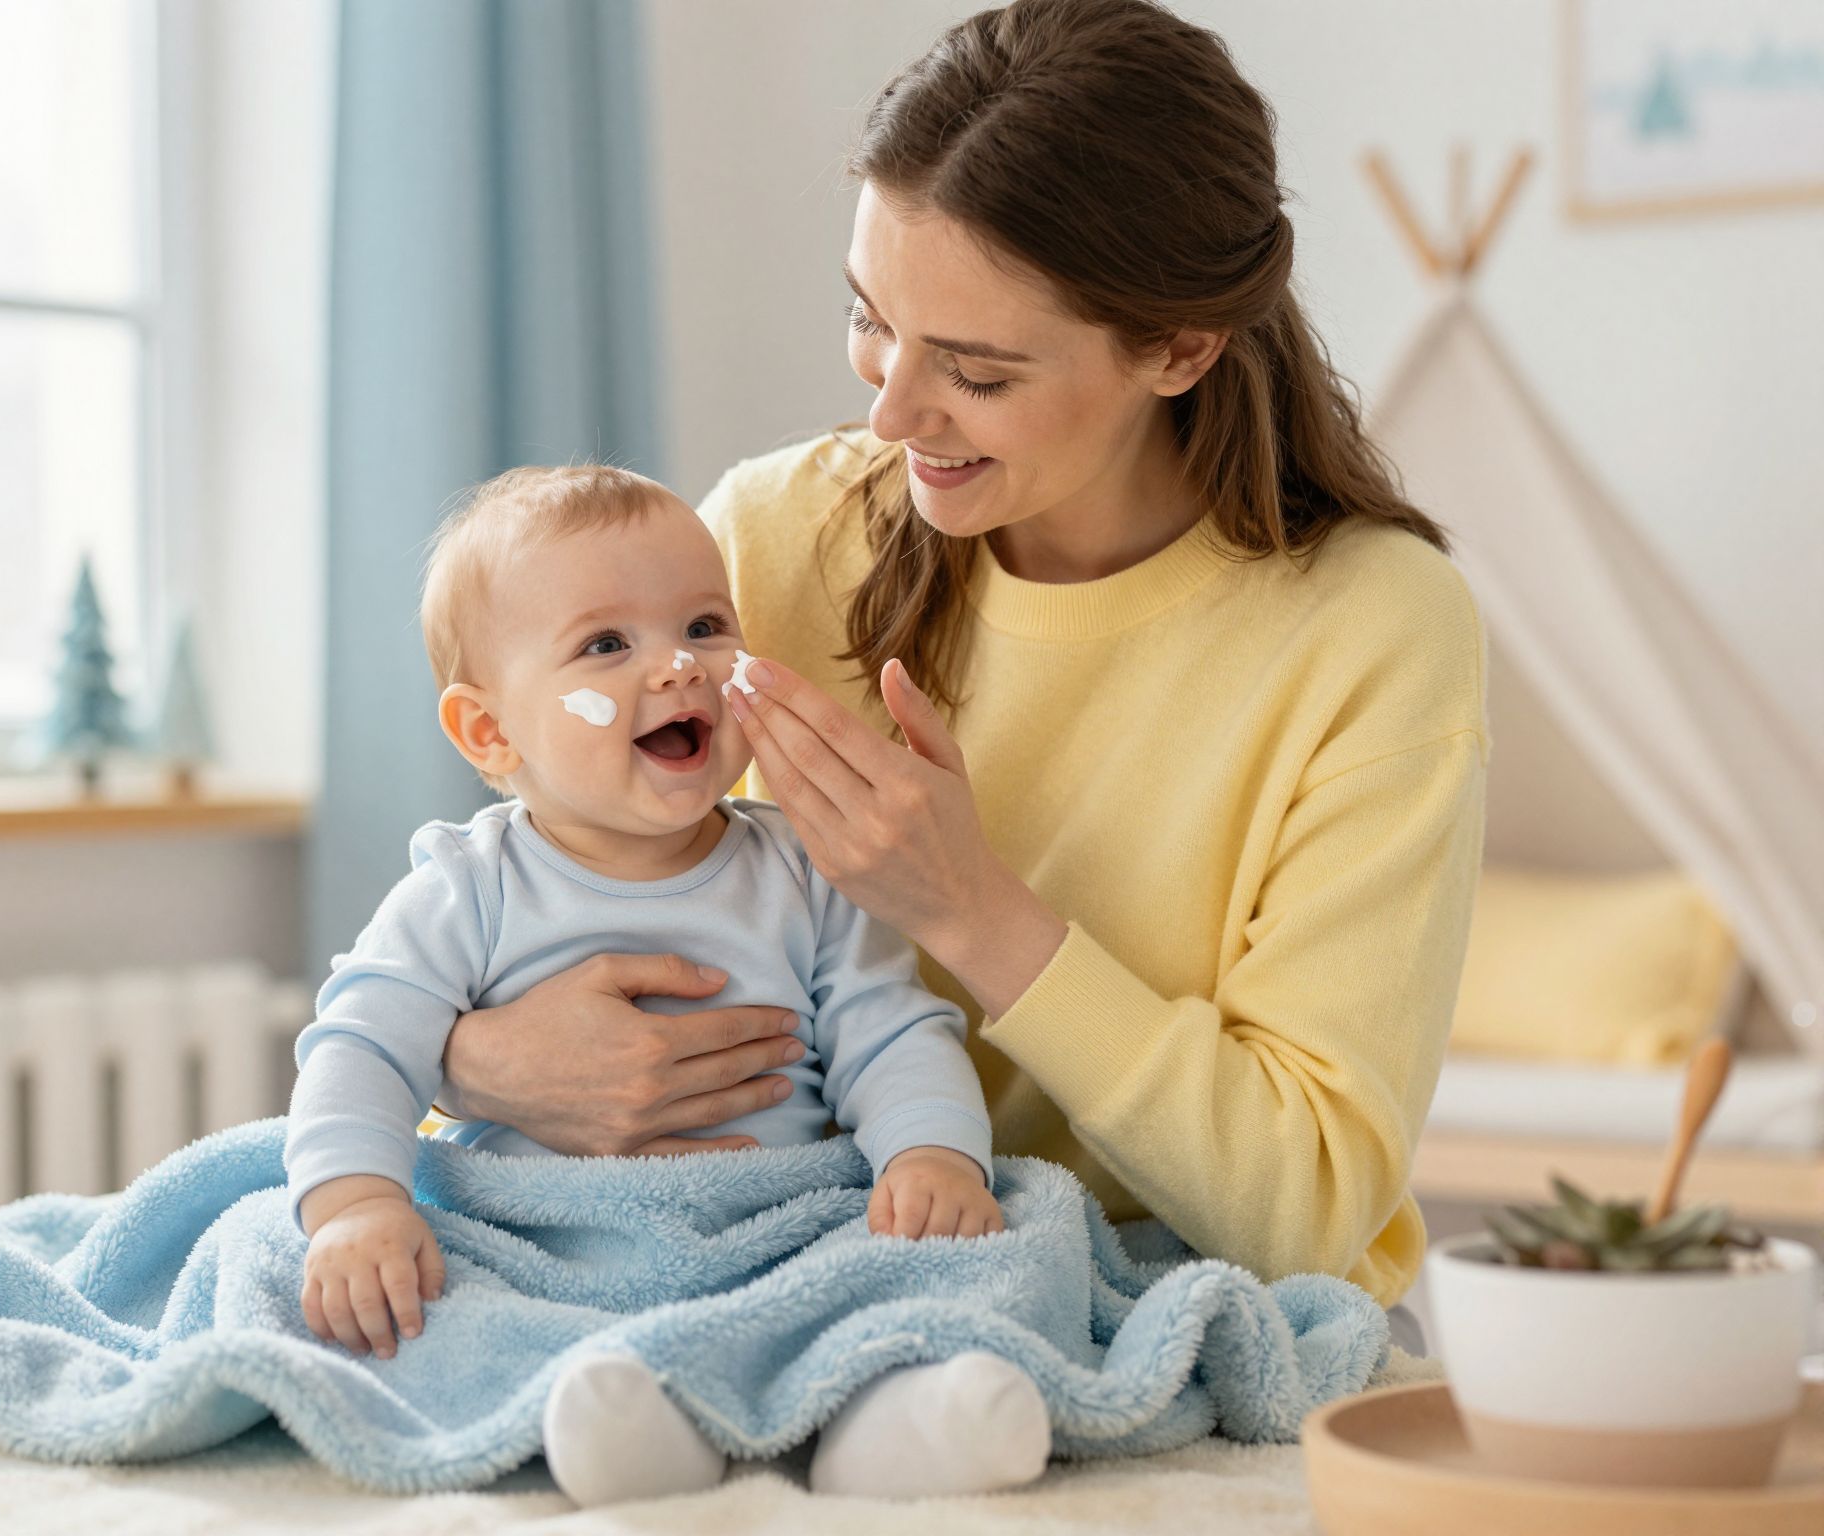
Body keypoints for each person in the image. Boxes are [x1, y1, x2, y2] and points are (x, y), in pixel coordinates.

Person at [436, 0, 1481, 1363]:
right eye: (871, 321)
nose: (889, 412)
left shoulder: (1372, 630)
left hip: (1152, 1296)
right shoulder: (774, 539)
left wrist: (970, 909)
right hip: (801, 1263)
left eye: (976, 372)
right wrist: (482, 1061)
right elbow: (508, 883)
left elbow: (1305, 1213)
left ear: (1179, 348)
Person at [288, 463, 1050, 1505]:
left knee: (996, 1240)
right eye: (607, 645)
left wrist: (930, 1157)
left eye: (703, 625)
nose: (678, 668)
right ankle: (618, 1424)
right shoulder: (464, 891)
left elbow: (891, 1030)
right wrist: (356, 1209)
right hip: (556, 1246)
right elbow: (360, 1049)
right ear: (488, 731)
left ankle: (895, 1426)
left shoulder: (801, 869)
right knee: (358, 1280)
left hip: (773, 1232)